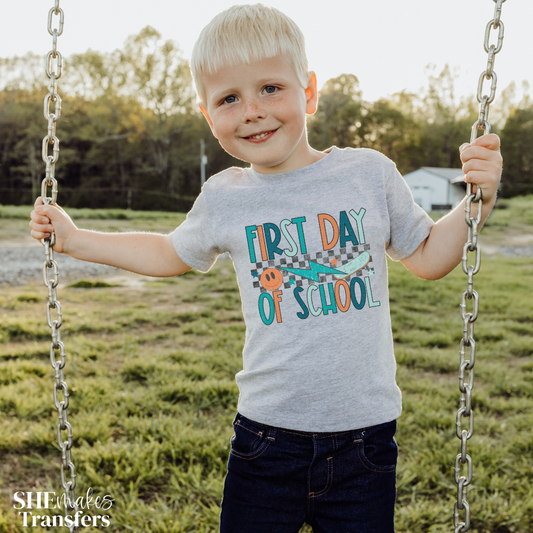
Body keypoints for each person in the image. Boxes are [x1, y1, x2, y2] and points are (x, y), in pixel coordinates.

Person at [29, 4, 502, 532]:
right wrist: (76, 240)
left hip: (364, 442)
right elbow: (168, 253)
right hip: (265, 440)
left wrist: (475, 204)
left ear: (309, 91)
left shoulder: (368, 174)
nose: (252, 110)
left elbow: (429, 256)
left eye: (271, 88)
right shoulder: (225, 197)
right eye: (229, 98)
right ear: (210, 117)